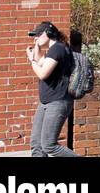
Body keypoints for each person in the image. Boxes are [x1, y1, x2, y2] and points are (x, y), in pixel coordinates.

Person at [26, 21, 77, 157]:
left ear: (48, 33)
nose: (35, 38)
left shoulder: (58, 49)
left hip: (57, 102)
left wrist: (31, 60)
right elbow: (40, 61)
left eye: (38, 35)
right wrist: (36, 46)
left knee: (49, 145)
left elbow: (42, 73)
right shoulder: (54, 50)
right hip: (46, 102)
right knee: (36, 144)